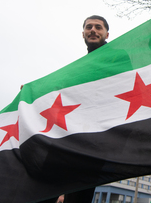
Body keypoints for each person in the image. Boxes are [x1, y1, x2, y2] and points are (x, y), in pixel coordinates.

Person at [38, 15, 110, 203]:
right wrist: (35, 93)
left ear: (106, 33)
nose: (93, 30)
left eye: (98, 27)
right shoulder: (77, 69)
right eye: (89, 27)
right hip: (68, 138)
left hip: (94, 142)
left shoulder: (117, 58)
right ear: (83, 33)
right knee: (44, 190)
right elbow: (59, 90)